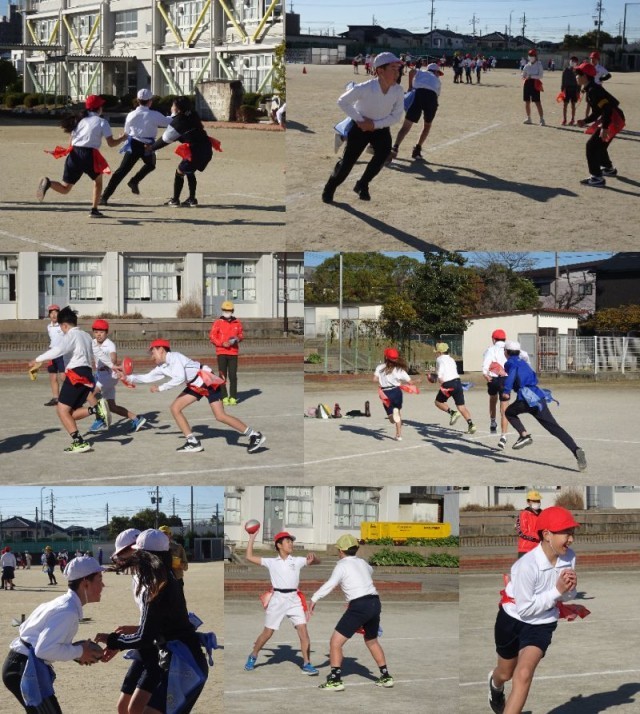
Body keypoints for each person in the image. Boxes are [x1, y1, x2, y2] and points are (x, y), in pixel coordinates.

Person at [96, 530, 210, 714]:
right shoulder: (162, 578)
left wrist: (114, 640)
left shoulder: (157, 585)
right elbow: (158, 627)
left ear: (143, 555)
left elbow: (146, 636)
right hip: (180, 656)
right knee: (133, 708)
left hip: (182, 662)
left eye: (136, 553)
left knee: (140, 710)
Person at [488, 507, 581, 714]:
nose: (571, 539)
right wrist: (557, 591)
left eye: (572, 533)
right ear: (547, 534)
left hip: (542, 623)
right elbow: (526, 610)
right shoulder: (527, 565)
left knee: (523, 673)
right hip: (512, 619)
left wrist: (570, 590)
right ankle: (495, 685)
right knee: (505, 673)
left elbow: (565, 597)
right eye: (566, 533)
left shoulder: (569, 557)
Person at [118, 338, 265, 453]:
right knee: (175, 408)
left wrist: (161, 388)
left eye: (153, 352)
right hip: (196, 385)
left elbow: (180, 378)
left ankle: (254, 435)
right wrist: (127, 378)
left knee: (220, 416)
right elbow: (147, 377)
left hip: (206, 380)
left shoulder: (175, 357)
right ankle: (193, 442)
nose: (152, 356)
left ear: (161, 350)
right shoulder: (162, 366)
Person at [2, 556, 105, 713]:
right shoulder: (68, 610)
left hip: (21, 664)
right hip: (24, 668)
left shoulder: (63, 603)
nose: (103, 585)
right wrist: (80, 651)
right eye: (99, 579)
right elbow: (43, 650)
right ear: (85, 583)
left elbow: (34, 637)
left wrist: (76, 652)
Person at [309, 534, 394, 691]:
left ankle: (335, 680)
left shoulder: (341, 565)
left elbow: (331, 584)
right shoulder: (362, 562)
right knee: (371, 640)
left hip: (359, 606)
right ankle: (386, 676)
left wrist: (314, 598)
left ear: (341, 551)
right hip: (375, 602)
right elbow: (369, 571)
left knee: (335, 643)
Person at [322, 52, 404, 204]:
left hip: (381, 129)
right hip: (359, 129)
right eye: (393, 68)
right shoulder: (366, 87)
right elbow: (342, 101)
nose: (397, 73)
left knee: (383, 154)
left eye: (398, 69)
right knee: (347, 164)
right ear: (380, 71)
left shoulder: (398, 91)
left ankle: (362, 184)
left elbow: (396, 116)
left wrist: (374, 125)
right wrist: (360, 120)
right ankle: (330, 187)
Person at [29, 306, 110, 453]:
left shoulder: (70, 335)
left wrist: (37, 359)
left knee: (61, 410)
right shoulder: (86, 336)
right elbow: (98, 353)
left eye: (61, 327)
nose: (62, 330)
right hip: (87, 374)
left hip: (75, 374)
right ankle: (96, 410)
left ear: (65, 325)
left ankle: (79, 442)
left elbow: (58, 350)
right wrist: (114, 366)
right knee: (70, 412)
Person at [243, 526, 320, 675]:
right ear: (279, 545)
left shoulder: (297, 561)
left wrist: (314, 558)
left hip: (294, 599)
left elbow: (317, 562)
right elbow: (249, 557)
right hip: (277, 600)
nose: (291, 544)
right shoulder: (271, 562)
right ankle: (253, 655)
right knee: (267, 633)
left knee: (303, 631)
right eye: (288, 541)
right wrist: (252, 538)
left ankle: (307, 663)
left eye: (291, 541)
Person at [500, 341, 587, 471]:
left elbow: (512, 375)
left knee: (509, 412)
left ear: (506, 352)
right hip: (538, 398)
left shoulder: (510, 363)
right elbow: (533, 377)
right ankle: (576, 450)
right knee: (555, 428)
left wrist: (506, 391)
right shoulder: (524, 362)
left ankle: (524, 435)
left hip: (526, 398)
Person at [37, 95, 126, 217]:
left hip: (74, 153)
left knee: (65, 188)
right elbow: (111, 143)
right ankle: (94, 210)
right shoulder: (102, 122)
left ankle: (48, 183)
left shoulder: (79, 120)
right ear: (98, 108)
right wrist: (122, 138)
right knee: (98, 182)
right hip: (89, 154)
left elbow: (71, 141)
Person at [99, 89, 171, 205]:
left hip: (134, 143)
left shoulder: (131, 114)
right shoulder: (154, 114)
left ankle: (105, 196)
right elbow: (168, 122)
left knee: (121, 171)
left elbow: (126, 131)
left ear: (138, 100)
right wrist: (176, 114)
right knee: (150, 165)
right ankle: (134, 181)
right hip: (148, 145)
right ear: (150, 101)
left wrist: (124, 137)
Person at [148, 95, 213, 207]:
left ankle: (175, 200)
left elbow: (165, 140)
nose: (171, 107)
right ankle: (192, 199)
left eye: (173, 105)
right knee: (190, 171)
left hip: (195, 151)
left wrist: (151, 148)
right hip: (206, 148)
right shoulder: (193, 114)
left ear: (177, 108)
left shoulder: (178, 122)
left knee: (180, 172)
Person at [88, 318, 146, 433]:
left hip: (108, 375)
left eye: (101, 332)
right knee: (112, 407)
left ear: (106, 332)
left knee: (91, 395)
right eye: (96, 332)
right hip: (101, 375)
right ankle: (136, 419)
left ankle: (100, 419)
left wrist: (110, 362)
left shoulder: (110, 344)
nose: (98, 334)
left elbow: (113, 358)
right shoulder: (92, 343)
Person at [574, 61, 625, 188]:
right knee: (600, 146)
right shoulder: (590, 89)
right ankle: (608, 169)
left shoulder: (593, 90)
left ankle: (597, 177)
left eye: (578, 74)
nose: (576, 76)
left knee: (591, 146)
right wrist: (585, 121)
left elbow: (607, 109)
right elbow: (597, 112)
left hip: (613, 118)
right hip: (615, 117)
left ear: (585, 76)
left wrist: (604, 127)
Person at [388, 60, 443, 163]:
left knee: (406, 125)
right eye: (438, 73)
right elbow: (436, 95)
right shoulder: (437, 81)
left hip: (418, 95)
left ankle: (395, 147)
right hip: (432, 98)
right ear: (435, 72)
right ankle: (417, 149)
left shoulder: (422, 72)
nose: (438, 75)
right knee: (427, 126)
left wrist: (410, 86)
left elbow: (411, 71)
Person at [433, 342, 476, 434]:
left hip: (448, 384)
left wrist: (438, 378)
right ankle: (471, 425)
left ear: (440, 352)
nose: (436, 353)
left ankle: (452, 413)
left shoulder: (439, 359)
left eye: (437, 352)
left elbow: (440, 373)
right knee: (461, 406)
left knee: (438, 402)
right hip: (458, 382)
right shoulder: (452, 359)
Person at [373, 347, 413, 441]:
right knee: (397, 413)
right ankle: (399, 435)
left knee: (391, 417)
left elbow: (374, 379)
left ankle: (392, 417)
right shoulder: (399, 369)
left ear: (386, 357)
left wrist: (381, 381)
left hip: (385, 393)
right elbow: (410, 382)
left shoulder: (380, 367)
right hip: (396, 391)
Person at [209, 301, 244, 405]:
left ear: (232, 311)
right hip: (221, 352)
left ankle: (233, 397)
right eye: (225, 310)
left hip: (233, 353)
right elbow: (212, 336)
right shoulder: (217, 322)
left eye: (229, 310)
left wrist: (237, 339)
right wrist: (221, 343)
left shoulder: (237, 322)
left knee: (233, 376)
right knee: (222, 376)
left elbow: (241, 335)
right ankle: (224, 397)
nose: (227, 312)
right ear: (222, 310)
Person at [482, 328, 509, 446]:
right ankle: (503, 436)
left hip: (493, 379)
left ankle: (493, 422)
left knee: (493, 399)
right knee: (504, 408)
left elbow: (486, 362)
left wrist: (485, 374)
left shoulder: (491, 349)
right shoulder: (508, 349)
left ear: (494, 339)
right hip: (506, 379)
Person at [45, 304, 64, 407]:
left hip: (62, 354)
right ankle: (56, 398)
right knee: (52, 376)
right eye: (51, 313)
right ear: (49, 315)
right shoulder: (49, 327)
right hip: (52, 354)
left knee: (64, 377)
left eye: (56, 312)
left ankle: (72, 397)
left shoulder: (63, 325)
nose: (54, 315)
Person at [516, 491, 542, 558]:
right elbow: (522, 532)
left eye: (538, 500)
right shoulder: (523, 514)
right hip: (526, 549)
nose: (537, 502)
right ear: (528, 502)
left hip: (540, 549)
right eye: (534, 501)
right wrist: (539, 536)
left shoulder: (543, 514)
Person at [521, 49, 545, 126]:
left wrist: (531, 76)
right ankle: (529, 118)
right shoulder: (527, 65)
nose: (531, 57)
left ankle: (542, 119)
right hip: (527, 83)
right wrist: (523, 76)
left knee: (537, 102)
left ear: (535, 56)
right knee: (527, 101)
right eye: (530, 55)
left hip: (535, 83)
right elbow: (523, 74)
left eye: (532, 55)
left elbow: (540, 76)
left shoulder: (539, 64)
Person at [560, 57, 580, 126]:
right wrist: (562, 90)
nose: (572, 62)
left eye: (574, 61)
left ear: (577, 63)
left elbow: (579, 82)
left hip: (574, 89)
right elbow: (563, 81)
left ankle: (572, 119)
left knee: (573, 105)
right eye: (572, 61)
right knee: (565, 105)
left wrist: (578, 91)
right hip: (567, 89)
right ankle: (564, 119)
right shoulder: (566, 70)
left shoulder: (578, 71)